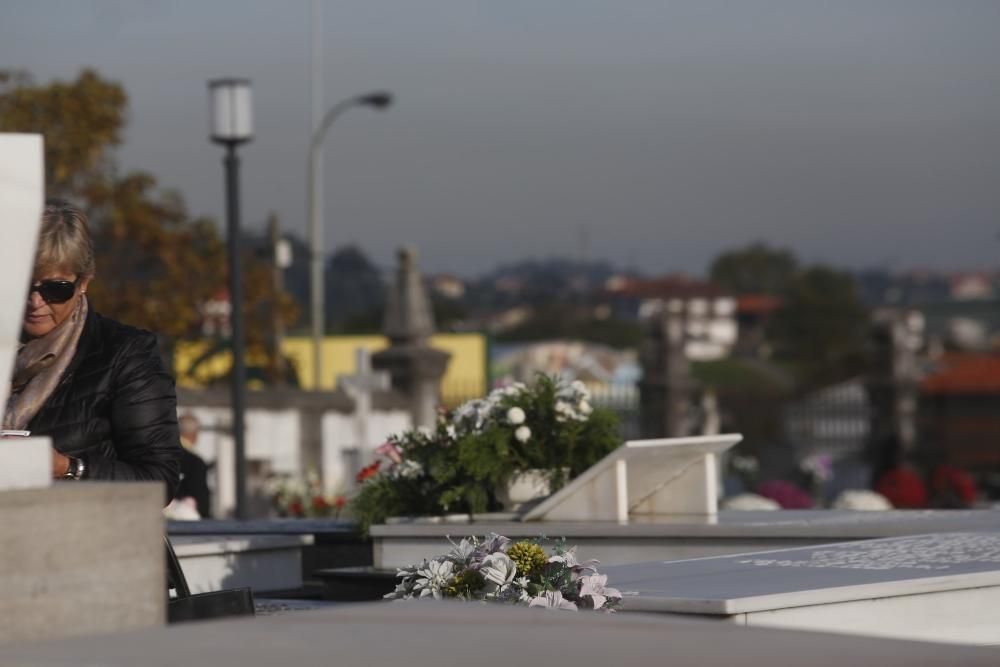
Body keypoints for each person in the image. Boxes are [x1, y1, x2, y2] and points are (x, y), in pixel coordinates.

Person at [2, 199, 180, 497]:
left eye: (55, 289)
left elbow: (159, 480)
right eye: (23, 285)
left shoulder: (125, 353)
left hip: (84, 538)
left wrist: (69, 468)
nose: (36, 302)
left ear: (84, 282)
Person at [175, 413, 212, 518]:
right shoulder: (196, 463)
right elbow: (202, 503)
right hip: (187, 527)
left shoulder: (160, 456)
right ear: (195, 435)